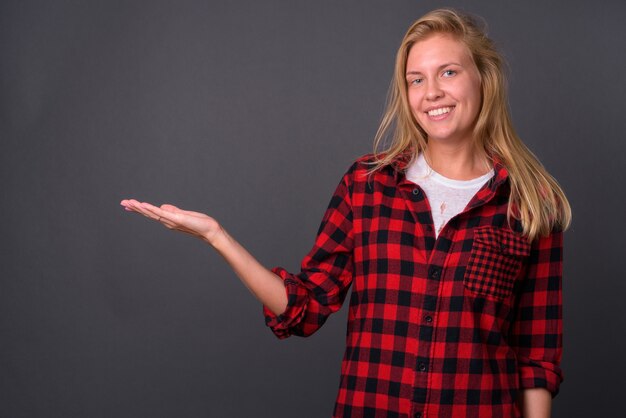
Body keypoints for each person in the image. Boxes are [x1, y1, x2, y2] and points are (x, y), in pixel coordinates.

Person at [121, 8, 571, 418]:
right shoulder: (367, 185)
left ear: (483, 79)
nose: (432, 92)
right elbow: (304, 306)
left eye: (448, 72)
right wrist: (217, 237)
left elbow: (535, 356)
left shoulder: (532, 202)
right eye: (416, 79)